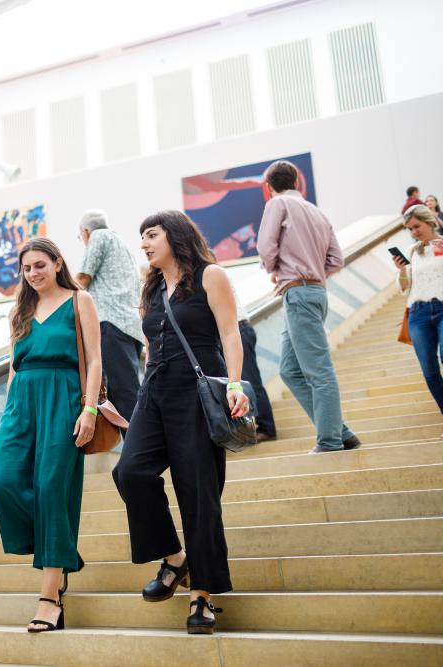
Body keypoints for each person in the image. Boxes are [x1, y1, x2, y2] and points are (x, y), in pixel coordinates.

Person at [112, 211, 248, 635]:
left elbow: (230, 333)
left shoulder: (212, 276)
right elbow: (151, 346)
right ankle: (174, 557)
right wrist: (134, 407)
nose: (145, 243)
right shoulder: (150, 287)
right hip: (154, 391)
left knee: (197, 491)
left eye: (151, 234)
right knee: (130, 471)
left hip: (197, 388)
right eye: (142, 237)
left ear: (175, 235)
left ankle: (202, 595)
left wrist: (237, 383)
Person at [0, 237, 101, 633]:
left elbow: (94, 358)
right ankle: (58, 549)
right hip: (21, 402)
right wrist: (7, 413)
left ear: (57, 263)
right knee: (3, 482)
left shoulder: (79, 300)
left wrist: (89, 409)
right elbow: (13, 367)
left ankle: (50, 595)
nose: (33, 273)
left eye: (40, 265)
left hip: (65, 398)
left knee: (54, 489)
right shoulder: (19, 310)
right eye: (26, 268)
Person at [257, 160, 361, 454]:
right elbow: (336, 260)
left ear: (269, 186)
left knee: (318, 371)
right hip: (314, 292)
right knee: (290, 370)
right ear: (297, 183)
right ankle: (342, 432)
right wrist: (312, 273)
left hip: (299, 293)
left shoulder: (277, 205)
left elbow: (266, 248)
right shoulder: (317, 212)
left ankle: (329, 442)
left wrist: (277, 269)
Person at [75, 209, 143, 425]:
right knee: (128, 390)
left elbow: (83, 278)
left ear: (85, 232)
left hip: (110, 323)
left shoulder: (99, 236)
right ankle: (142, 449)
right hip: (130, 327)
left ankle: (141, 452)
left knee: (123, 394)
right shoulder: (121, 244)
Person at [394, 205, 443, 429]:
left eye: (417, 226)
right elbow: (404, 288)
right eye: (410, 229)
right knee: (430, 372)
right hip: (418, 314)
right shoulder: (412, 251)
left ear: (429, 221)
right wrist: (401, 271)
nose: (414, 232)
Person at [232, 288, 277, 441]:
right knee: (244, 383)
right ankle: (251, 428)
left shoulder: (212, 273)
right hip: (237, 330)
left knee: (250, 382)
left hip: (238, 330)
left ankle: (267, 428)